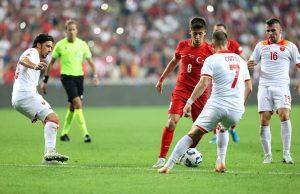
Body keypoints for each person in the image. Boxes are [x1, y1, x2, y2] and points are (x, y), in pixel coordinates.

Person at [158, 31, 252, 174]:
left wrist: (189, 102)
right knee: (223, 128)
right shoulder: (240, 60)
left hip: (217, 105)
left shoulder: (212, 59)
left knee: (192, 134)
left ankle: (167, 166)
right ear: (227, 43)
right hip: (236, 110)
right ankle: (220, 162)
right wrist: (241, 106)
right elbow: (249, 87)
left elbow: (203, 83)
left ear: (212, 45)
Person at [152, 17, 213, 168]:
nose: (197, 37)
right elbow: (174, 62)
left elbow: (214, 73)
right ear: (190, 32)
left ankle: (186, 153)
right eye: (194, 34)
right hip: (182, 89)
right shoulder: (182, 45)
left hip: (200, 92)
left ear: (205, 33)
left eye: (200, 34)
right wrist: (161, 79)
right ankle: (161, 158)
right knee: (172, 121)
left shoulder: (210, 50)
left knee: (199, 128)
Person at [248, 18, 300, 164]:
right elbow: (252, 61)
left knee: (284, 115)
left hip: (282, 86)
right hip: (264, 87)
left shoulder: (290, 46)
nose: (270, 33)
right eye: (268, 31)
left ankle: (286, 154)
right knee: (264, 119)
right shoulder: (260, 46)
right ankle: (268, 155)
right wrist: (250, 64)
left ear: (280, 30)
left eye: (273, 30)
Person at [11, 34, 69, 164]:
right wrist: (34, 66)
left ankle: (48, 159)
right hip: (26, 95)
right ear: (39, 45)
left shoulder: (37, 58)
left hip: (22, 96)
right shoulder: (32, 52)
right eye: (47, 46)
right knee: (53, 118)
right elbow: (23, 60)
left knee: (47, 121)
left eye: (51, 47)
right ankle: (50, 151)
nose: (50, 50)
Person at [41, 19, 99, 143]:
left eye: (73, 29)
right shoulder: (60, 45)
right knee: (78, 103)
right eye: (69, 29)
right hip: (67, 77)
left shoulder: (82, 44)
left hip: (79, 78)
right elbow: (51, 63)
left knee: (73, 106)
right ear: (66, 31)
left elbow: (91, 62)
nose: (71, 32)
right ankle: (86, 134)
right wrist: (45, 80)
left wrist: (95, 76)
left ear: (76, 31)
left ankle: (64, 134)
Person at [209, 23, 245, 144]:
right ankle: (216, 134)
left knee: (232, 109)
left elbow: (242, 59)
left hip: (232, 82)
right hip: (217, 81)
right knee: (215, 108)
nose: (218, 32)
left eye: (220, 30)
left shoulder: (233, 44)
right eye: (216, 30)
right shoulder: (211, 46)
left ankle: (232, 129)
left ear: (226, 33)